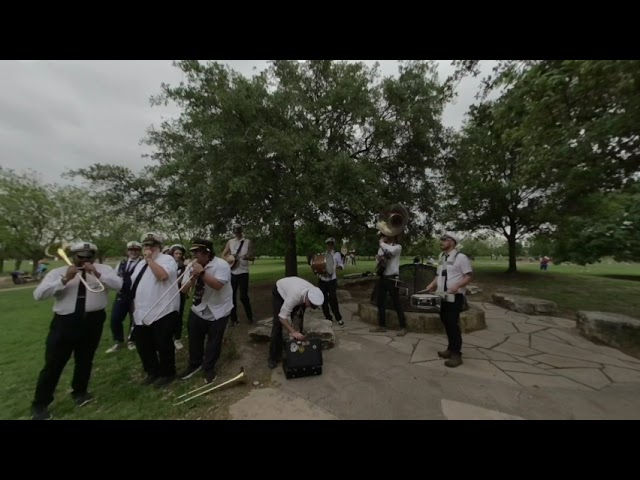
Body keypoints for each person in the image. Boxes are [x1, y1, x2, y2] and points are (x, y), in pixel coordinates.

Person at [30, 242, 122, 420]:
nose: (86, 261)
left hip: (93, 321)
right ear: (73, 257)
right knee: (53, 365)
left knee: (85, 360)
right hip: (65, 322)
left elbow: (119, 285)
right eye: (81, 257)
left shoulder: (103, 269)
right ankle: (40, 404)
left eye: (89, 257)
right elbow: (38, 294)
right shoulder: (57, 272)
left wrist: (97, 273)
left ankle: (80, 392)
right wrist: (64, 280)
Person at [178, 239, 233, 383]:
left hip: (219, 308)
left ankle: (209, 368)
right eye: (193, 252)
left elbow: (218, 285)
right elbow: (183, 290)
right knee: (194, 337)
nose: (194, 255)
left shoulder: (222, 265)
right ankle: (194, 364)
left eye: (197, 252)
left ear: (207, 252)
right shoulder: (192, 266)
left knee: (214, 341)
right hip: (199, 307)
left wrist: (202, 273)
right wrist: (193, 278)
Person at [129, 233, 180, 387]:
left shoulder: (167, 260)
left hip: (163, 309)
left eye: (152, 245)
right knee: (143, 344)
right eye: (146, 245)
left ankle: (168, 373)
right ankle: (152, 371)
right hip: (142, 310)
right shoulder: (140, 264)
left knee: (163, 343)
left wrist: (150, 260)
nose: (149, 248)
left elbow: (163, 276)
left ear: (159, 247)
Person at [424, 233, 473, 368]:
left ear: (452, 242)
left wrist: (457, 285)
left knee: (452, 324)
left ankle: (456, 354)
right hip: (442, 295)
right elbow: (439, 274)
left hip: (455, 296)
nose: (441, 242)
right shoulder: (442, 256)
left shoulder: (461, 257)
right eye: (441, 240)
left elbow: (468, 276)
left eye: (444, 240)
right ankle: (450, 348)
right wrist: (432, 284)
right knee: (446, 322)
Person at [267, 276, 324, 369]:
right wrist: (292, 332)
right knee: (277, 325)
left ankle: (296, 351)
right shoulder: (294, 297)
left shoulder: (313, 292)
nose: (310, 307)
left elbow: (299, 315)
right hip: (280, 291)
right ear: (307, 299)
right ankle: (273, 357)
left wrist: (297, 331)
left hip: (295, 289)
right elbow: (282, 317)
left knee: (299, 319)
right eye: (311, 305)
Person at [106, 241, 143, 353]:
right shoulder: (122, 263)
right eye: (131, 250)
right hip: (122, 294)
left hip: (136, 295)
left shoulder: (142, 263)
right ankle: (118, 341)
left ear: (139, 251)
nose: (133, 252)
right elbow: (114, 276)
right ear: (127, 251)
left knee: (134, 320)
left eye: (136, 250)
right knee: (115, 319)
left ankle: (132, 340)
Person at [221, 224, 255, 326]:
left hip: (244, 271)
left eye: (239, 232)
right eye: (236, 232)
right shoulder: (230, 242)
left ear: (241, 232)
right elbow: (223, 255)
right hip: (233, 272)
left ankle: (250, 317)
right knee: (232, 296)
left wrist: (247, 257)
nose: (237, 234)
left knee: (243, 296)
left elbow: (253, 257)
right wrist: (229, 259)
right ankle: (233, 320)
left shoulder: (247, 242)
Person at [317, 237, 345, 326]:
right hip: (322, 280)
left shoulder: (337, 254)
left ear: (334, 245)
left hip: (331, 280)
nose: (330, 245)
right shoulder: (322, 254)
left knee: (333, 299)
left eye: (332, 244)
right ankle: (328, 317)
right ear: (327, 245)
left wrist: (337, 267)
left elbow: (341, 265)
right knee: (323, 300)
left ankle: (338, 318)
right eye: (329, 244)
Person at [169, 244, 188, 350]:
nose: (178, 255)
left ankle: (177, 338)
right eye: (176, 253)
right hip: (169, 293)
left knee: (178, 315)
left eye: (180, 253)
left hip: (180, 293)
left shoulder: (184, 266)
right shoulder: (167, 264)